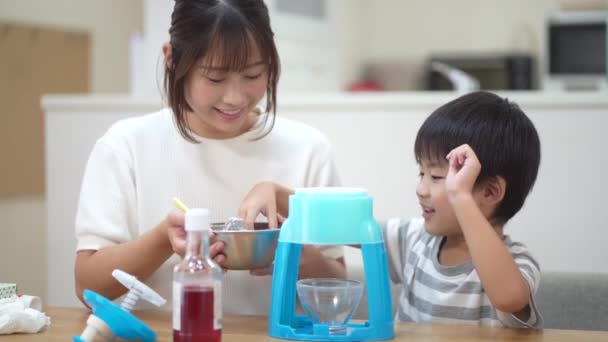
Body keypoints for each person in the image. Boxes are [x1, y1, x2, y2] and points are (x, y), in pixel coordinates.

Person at [74, 0, 345, 315]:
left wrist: (305, 260)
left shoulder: (308, 148)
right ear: (172, 60)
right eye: (215, 79)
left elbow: (337, 282)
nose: (234, 97)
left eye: (253, 74)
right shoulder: (125, 146)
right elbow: (87, 286)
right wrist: (164, 240)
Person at [248, 91, 543, 327]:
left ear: (490, 192)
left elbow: (507, 298)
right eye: (421, 174)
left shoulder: (516, 263)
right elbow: (344, 223)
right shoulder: (414, 239)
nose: (421, 189)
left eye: (438, 177)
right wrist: (276, 192)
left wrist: (461, 198)